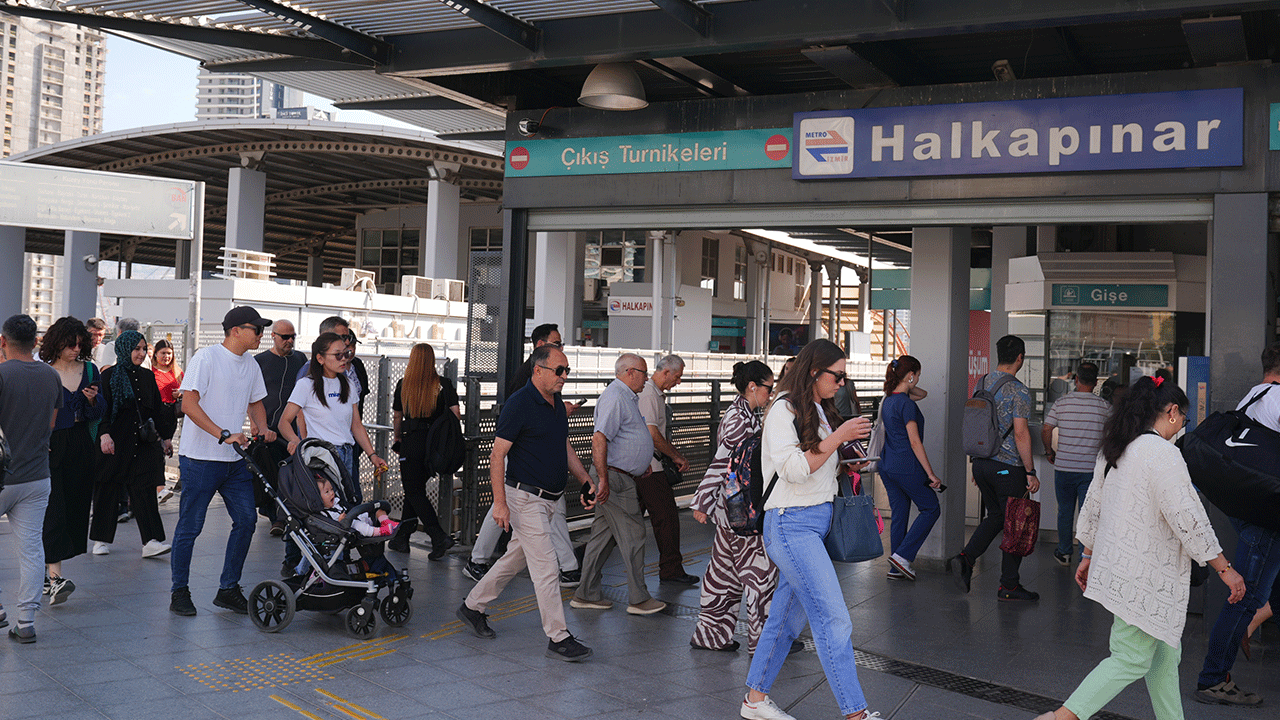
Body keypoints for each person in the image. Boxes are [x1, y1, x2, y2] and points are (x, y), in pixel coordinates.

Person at [1032, 376, 1245, 720]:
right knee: (1130, 657)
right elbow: (1188, 519)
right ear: (1172, 412)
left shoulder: (1116, 447)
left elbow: (1094, 506)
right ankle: (1061, 718)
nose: (1181, 427)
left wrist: (1087, 554)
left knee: (1164, 656)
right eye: (1184, 420)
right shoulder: (1163, 454)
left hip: (1123, 567)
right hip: (1147, 576)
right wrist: (1225, 568)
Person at [741, 339, 876, 720]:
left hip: (813, 522)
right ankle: (856, 714)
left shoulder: (816, 408)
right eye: (838, 375)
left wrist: (850, 460)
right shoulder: (782, 408)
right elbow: (794, 469)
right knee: (834, 619)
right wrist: (839, 437)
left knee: (785, 620)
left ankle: (754, 700)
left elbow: (819, 466)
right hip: (790, 524)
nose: (842, 383)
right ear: (815, 371)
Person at [455, 344, 600, 662]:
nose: (564, 377)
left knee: (513, 559)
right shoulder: (519, 404)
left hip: (549, 499)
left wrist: (586, 480)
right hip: (525, 498)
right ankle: (558, 636)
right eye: (558, 370)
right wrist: (500, 504)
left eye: (567, 371)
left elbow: (564, 447)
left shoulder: (557, 404)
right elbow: (497, 455)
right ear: (538, 370)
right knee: (547, 567)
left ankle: (472, 606)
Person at [169, 306, 274, 617]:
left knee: (246, 520)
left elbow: (256, 402)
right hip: (201, 459)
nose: (261, 334)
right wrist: (223, 433)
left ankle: (228, 589)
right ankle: (179, 591)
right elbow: (189, 404)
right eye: (257, 328)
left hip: (234, 461)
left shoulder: (252, 365)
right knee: (191, 527)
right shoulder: (207, 357)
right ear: (236, 331)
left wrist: (262, 426)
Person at [1191, 344, 1280, 708]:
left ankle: (1250, 624)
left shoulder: (1254, 396)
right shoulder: (1278, 399)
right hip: (1266, 515)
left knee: (1253, 593)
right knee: (1245, 597)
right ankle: (1214, 678)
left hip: (1245, 505)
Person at [569, 353, 666, 616]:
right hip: (614, 478)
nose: (647, 379)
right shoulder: (615, 396)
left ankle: (586, 593)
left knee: (603, 537)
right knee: (634, 535)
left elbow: (624, 437)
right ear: (629, 372)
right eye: (644, 373)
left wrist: (639, 459)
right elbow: (599, 438)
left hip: (618, 475)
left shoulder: (626, 396)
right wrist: (603, 479)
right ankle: (639, 598)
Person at [690, 360, 777, 653]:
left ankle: (711, 636)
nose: (771, 392)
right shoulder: (740, 419)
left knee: (724, 573)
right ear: (753, 387)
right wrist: (701, 501)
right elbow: (722, 463)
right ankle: (763, 641)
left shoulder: (744, 413)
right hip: (741, 510)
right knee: (759, 573)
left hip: (731, 509)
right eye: (769, 387)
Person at [948, 334, 1041, 601]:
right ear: (1020, 358)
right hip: (1006, 468)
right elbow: (1021, 434)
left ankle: (966, 558)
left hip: (982, 465)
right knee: (1015, 523)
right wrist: (1030, 471)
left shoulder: (983, 382)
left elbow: (977, 424)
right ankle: (1009, 585)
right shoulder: (1019, 391)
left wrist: (978, 461)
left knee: (997, 517)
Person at [0, 315, 63, 643]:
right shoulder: (51, 376)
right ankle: (25, 622)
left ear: (3, 341)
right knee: (30, 548)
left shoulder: (1, 373)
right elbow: (50, 426)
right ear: (36, 342)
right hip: (37, 477)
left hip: (1, 476)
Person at [88, 331, 176, 558]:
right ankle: (100, 539)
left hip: (142, 443)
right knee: (107, 490)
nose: (140, 353)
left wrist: (166, 437)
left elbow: (156, 409)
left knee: (145, 491)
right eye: (136, 349)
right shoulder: (109, 377)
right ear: (124, 349)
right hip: (115, 443)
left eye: (143, 349)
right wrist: (104, 435)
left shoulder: (147, 377)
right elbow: (102, 411)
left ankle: (151, 541)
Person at [278, 333, 388, 509]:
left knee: (348, 504)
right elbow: (284, 421)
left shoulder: (348, 384)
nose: (344, 359)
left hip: (347, 453)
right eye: (338, 355)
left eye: (346, 353)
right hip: (323, 457)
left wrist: (372, 455)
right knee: (331, 508)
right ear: (320, 358)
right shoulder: (306, 385)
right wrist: (295, 440)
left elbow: (356, 425)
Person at [38, 317, 105, 605]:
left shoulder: (90, 370)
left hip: (80, 442)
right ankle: (55, 578)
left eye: (80, 344)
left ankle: (45, 574)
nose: (76, 349)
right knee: (54, 507)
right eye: (70, 344)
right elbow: (36, 412)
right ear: (57, 342)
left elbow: (102, 410)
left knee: (76, 505)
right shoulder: (43, 371)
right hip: (51, 445)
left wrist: (92, 401)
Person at [389, 342, 460, 560]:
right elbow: (456, 415)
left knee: (413, 491)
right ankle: (402, 537)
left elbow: (397, 417)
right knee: (416, 489)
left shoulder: (404, 385)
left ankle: (438, 536)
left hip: (411, 443)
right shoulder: (444, 385)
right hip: (433, 446)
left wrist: (397, 437)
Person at [878, 355, 943, 581]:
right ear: (911, 375)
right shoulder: (905, 404)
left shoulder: (889, 399)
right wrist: (930, 474)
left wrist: (906, 382)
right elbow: (915, 442)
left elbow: (921, 394)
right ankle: (903, 556)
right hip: (906, 465)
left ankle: (897, 567)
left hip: (887, 465)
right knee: (931, 508)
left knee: (900, 513)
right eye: (917, 374)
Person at [636, 354, 698, 585]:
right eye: (678, 377)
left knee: (623, 523)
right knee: (667, 518)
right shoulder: (649, 394)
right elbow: (652, 434)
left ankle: (583, 561)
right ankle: (670, 568)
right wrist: (676, 455)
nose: (678, 382)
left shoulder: (654, 394)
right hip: (650, 468)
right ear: (665, 372)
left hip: (644, 466)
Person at [1041, 361, 1109, 567]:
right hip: (1090, 470)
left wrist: (1049, 451)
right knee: (1088, 514)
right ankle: (1085, 558)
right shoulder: (1104, 407)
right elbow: (1116, 433)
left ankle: (1064, 552)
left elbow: (1045, 430)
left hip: (1064, 468)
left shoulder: (1061, 403)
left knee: (1065, 510)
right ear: (1096, 382)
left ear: (1076, 379)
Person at [296, 316, 369, 501]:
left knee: (350, 498)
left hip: (348, 447)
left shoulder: (351, 374)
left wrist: (371, 454)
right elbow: (299, 415)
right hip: (322, 452)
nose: (346, 341)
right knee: (328, 502)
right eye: (341, 336)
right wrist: (302, 444)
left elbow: (356, 421)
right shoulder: (308, 377)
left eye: (348, 337)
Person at [253, 319, 307, 545]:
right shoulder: (260, 361)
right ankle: (272, 511)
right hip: (269, 427)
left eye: (293, 336)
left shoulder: (301, 359)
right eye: (285, 337)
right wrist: (257, 424)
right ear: (273, 336)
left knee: (290, 473)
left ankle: (281, 517)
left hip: (293, 428)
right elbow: (252, 397)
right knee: (269, 471)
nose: (290, 341)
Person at [152, 338, 183, 504]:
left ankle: (158, 487)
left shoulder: (177, 373)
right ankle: (159, 488)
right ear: (156, 354)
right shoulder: (150, 371)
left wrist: (180, 394)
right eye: (163, 353)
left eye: (169, 353)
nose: (166, 357)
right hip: (155, 414)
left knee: (164, 448)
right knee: (157, 451)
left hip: (170, 415)